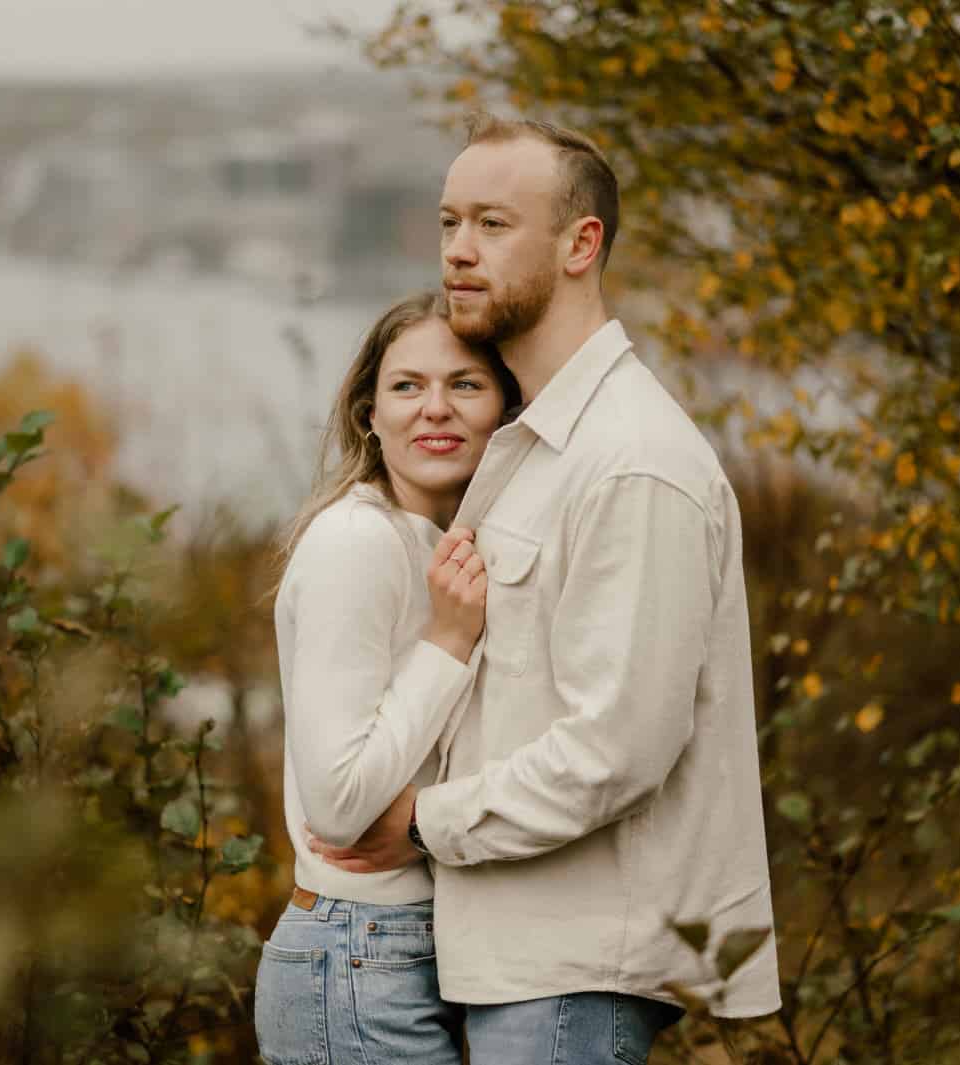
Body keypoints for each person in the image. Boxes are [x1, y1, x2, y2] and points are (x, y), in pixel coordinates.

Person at [308, 113, 783, 1063]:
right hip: (513, 964)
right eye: (449, 223)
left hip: (573, 970)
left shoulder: (629, 460)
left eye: (493, 224)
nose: (458, 251)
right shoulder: (532, 447)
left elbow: (619, 746)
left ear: (580, 244)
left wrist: (422, 823)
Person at [254, 291, 522, 1065]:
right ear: (370, 413)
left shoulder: (445, 543)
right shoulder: (356, 541)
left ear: (505, 409)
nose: (436, 408)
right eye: (408, 386)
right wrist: (448, 641)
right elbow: (338, 806)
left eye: (465, 383)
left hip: (408, 950)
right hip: (359, 952)